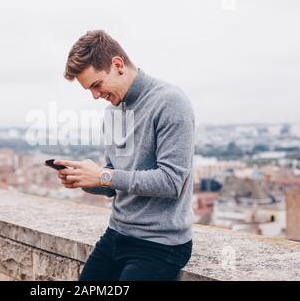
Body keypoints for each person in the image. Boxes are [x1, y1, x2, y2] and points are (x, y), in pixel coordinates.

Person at [54, 30, 195, 281]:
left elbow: (171, 182)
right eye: (89, 90)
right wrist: (84, 180)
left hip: (160, 245)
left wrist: (103, 176)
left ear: (117, 64)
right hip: (116, 234)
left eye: (96, 85)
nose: (96, 96)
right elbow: (112, 183)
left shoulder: (170, 102)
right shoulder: (112, 113)